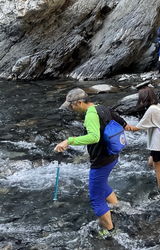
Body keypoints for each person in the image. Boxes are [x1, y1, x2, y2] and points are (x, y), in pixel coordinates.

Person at [54, 88, 133, 239]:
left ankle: (110, 231)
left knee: (96, 199)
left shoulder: (90, 115)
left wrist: (69, 141)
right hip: (112, 154)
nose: (71, 109)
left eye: (71, 106)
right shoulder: (100, 107)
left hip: (101, 160)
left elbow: (94, 137)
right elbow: (121, 122)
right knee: (102, 184)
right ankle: (117, 207)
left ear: (79, 102)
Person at [127, 87, 160, 192]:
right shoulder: (159, 106)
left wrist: (122, 124)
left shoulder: (151, 110)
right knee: (152, 163)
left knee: (157, 167)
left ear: (144, 98)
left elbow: (135, 128)